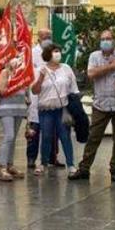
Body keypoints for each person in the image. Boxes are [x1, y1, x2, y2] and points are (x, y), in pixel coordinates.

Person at [70, 30, 115, 182]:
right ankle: (84, 168)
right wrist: (113, 66)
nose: (105, 41)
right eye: (103, 39)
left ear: (114, 40)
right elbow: (91, 74)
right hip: (100, 104)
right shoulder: (94, 56)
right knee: (93, 137)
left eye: (108, 38)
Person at [29, 46, 77, 177]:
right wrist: (41, 78)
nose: (58, 54)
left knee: (65, 136)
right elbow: (34, 91)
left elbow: (74, 89)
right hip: (46, 109)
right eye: (54, 51)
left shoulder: (66, 69)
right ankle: (43, 163)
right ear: (48, 54)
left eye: (58, 51)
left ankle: (71, 164)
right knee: (46, 136)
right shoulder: (40, 70)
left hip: (62, 109)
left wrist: (75, 108)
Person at [0, 56, 28, 182]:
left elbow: (26, 92)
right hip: (7, 108)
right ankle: (2, 166)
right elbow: (2, 90)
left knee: (14, 138)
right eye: (15, 58)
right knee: (9, 136)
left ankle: (10, 164)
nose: (17, 61)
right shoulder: (5, 72)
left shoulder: (22, 73)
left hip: (19, 108)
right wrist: (15, 83)